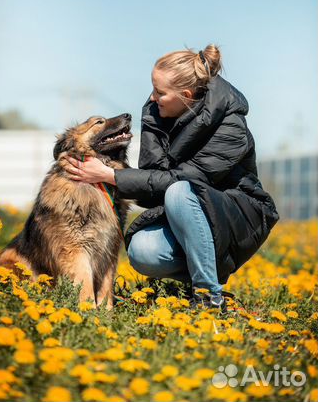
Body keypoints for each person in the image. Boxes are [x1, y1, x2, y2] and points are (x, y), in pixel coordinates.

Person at [63, 44, 279, 312]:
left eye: (160, 92)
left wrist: (111, 176)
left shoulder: (230, 126)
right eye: (153, 89)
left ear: (186, 95)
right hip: (189, 212)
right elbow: (151, 189)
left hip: (238, 216)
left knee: (178, 191)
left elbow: (183, 180)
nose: (152, 98)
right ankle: (196, 282)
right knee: (142, 252)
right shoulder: (158, 114)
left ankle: (209, 296)